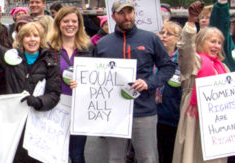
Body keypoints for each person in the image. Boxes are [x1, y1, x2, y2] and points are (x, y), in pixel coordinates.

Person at [93, 1, 175, 162]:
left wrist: (149, 83)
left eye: (129, 12)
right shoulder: (103, 44)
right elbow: (95, 76)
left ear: (134, 13)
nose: (127, 17)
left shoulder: (150, 38)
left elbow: (167, 67)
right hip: (114, 112)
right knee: (115, 159)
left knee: (147, 158)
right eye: (121, 13)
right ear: (113, 16)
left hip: (144, 110)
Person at [0, 5, 61, 162]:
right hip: (13, 121)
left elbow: (54, 94)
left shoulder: (50, 63)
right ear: (21, 39)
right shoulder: (11, 58)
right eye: (27, 36)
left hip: (38, 122)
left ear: (41, 39)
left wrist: (38, 102)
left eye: (36, 36)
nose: (32, 40)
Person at [173, 1, 229, 163]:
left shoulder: (223, 67)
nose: (216, 46)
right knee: (192, 156)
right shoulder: (193, 61)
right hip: (194, 118)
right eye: (212, 41)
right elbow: (185, 47)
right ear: (201, 42)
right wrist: (191, 22)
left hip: (216, 122)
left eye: (219, 42)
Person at [44, 6, 93, 163]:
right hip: (55, 107)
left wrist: (85, 83)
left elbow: (97, 77)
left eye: (74, 21)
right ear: (58, 23)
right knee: (54, 153)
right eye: (66, 21)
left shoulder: (88, 47)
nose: (70, 25)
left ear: (79, 24)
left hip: (79, 109)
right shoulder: (48, 47)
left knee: (77, 154)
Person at [154, 21, 182, 163]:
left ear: (178, 39)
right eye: (162, 32)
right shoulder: (152, 56)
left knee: (168, 155)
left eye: (169, 34)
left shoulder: (182, 61)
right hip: (152, 114)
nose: (164, 36)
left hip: (172, 116)